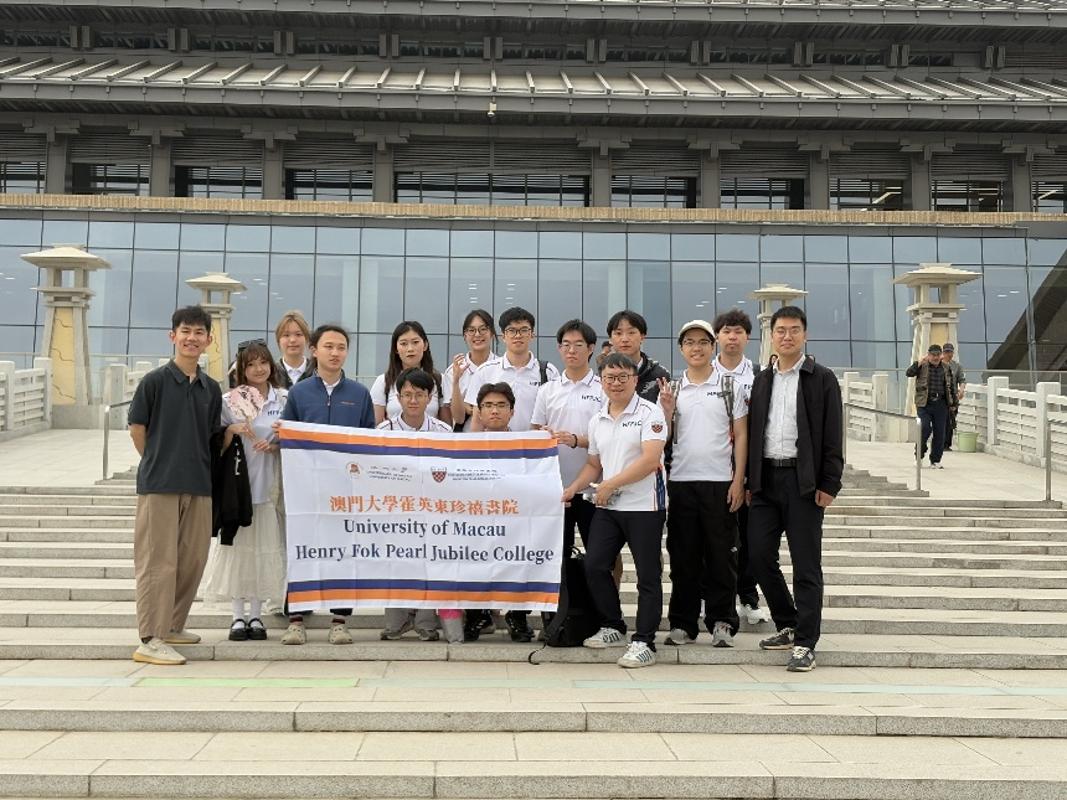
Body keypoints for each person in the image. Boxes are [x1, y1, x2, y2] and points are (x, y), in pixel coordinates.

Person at [746, 306, 843, 673]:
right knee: (758, 556)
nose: (787, 336)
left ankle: (805, 642)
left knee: (806, 565)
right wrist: (750, 480)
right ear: (771, 336)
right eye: (780, 330)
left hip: (803, 483)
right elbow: (754, 432)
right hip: (766, 481)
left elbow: (833, 434)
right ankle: (787, 621)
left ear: (805, 334)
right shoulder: (762, 380)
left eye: (794, 330)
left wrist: (830, 482)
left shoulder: (822, 378)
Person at [127, 305, 223, 665]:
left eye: (199, 333)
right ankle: (150, 639)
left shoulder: (211, 389)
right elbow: (138, 430)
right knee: (158, 562)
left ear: (208, 340)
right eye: (186, 331)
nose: (192, 338)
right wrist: (158, 461)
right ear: (173, 336)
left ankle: (170, 625)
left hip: (199, 484)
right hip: (160, 485)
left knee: (193, 560)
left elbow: (211, 435)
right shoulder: (154, 382)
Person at [562, 353, 668, 669]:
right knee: (595, 565)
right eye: (610, 377)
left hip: (645, 506)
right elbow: (594, 465)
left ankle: (645, 641)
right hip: (609, 507)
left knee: (648, 575)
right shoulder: (598, 419)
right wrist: (572, 488)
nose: (616, 383)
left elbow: (650, 460)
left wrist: (610, 484)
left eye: (623, 377)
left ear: (635, 380)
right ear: (602, 381)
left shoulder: (650, 413)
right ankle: (613, 625)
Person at [278, 323, 376, 645]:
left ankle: (339, 621)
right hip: (305, 490)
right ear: (314, 351)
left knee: (344, 553)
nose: (335, 353)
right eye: (329, 347)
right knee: (301, 550)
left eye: (341, 347)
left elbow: (369, 441)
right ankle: (296, 620)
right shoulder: (299, 392)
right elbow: (287, 435)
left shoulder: (359, 394)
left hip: (346, 491)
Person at [658, 320, 747, 648]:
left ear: (713, 346)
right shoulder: (673, 388)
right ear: (681, 349)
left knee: (722, 557)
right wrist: (666, 411)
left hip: (720, 482)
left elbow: (742, 435)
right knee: (683, 557)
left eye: (703, 342)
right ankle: (683, 623)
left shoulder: (729, 386)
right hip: (682, 482)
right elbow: (661, 439)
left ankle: (722, 621)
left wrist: (739, 480)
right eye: (689, 343)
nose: (696, 348)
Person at [201, 340, 287, 642]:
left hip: (268, 487)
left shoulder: (283, 399)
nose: (258, 369)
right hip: (237, 488)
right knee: (237, 553)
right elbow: (215, 443)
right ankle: (237, 615)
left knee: (262, 553)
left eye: (263, 362)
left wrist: (275, 444)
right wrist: (230, 431)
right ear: (241, 369)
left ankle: (257, 614)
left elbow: (293, 439)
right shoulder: (229, 400)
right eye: (251, 364)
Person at [377, 367, 455, 643]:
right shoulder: (383, 431)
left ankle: (425, 622)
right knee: (395, 562)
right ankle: (396, 622)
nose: (413, 400)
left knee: (428, 563)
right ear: (398, 397)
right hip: (396, 510)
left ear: (429, 397)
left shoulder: (443, 431)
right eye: (407, 394)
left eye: (419, 394)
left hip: (431, 511)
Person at [712, 309, 770, 626]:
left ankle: (748, 596)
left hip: (749, 466)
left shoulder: (761, 376)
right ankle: (712, 596)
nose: (732, 337)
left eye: (738, 332)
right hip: (711, 465)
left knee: (749, 537)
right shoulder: (703, 372)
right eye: (726, 331)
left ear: (747, 337)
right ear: (717, 337)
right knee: (714, 537)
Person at [532, 320, 604, 555]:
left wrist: (576, 440)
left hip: (594, 488)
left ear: (591, 348)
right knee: (558, 555)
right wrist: (543, 435)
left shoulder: (603, 388)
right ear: (559, 348)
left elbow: (608, 438)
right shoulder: (547, 390)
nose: (571, 350)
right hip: (556, 488)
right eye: (566, 345)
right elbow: (536, 430)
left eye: (578, 345)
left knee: (600, 556)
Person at [461, 382, 517, 642]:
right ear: (479, 412)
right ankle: (476, 616)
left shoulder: (527, 445)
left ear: (512, 411)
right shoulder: (464, 447)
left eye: (501, 405)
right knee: (474, 564)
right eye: (488, 406)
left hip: (515, 522)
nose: (495, 411)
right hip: (477, 521)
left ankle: (518, 617)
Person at [464, 306, 560, 432]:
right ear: (503, 336)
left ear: (532, 335)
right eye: (512, 330)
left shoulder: (548, 372)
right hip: (496, 443)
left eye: (524, 330)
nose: (518, 335)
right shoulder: (485, 371)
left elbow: (555, 416)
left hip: (533, 443)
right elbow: (477, 420)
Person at [372, 321, 449, 427]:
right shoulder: (383, 381)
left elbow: (446, 424)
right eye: (404, 344)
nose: (410, 349)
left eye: (415, 342)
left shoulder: (440, 380)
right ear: (396, 349)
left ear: (425, 345)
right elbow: (375, 426)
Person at [444, 309, 497, 432]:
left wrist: (473, 407)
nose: (477, 334)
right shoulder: (453, 371)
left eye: (483, 329)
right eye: (471, 330)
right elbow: (458, 418)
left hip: (497, 436)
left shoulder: (501, 366)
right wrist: (456, 382)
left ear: (492, 334)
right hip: (466, 438)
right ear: (465, 336)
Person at [906, 344, 957, 469]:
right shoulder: (922, 366)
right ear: (928, 355)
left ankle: (935, 460)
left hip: (941, 404)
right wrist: (919, 362)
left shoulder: (946, 367)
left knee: (940, 432)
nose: (935, 357)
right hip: (924, 403)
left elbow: (951, 386)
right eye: (933, 355)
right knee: (924, 428)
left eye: (937, 355)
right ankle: (919, 456)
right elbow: (909, 373)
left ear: (941, 355)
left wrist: (953, 403)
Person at [606, 310, 669, 403]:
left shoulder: (660, 375)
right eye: (618, 333)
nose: (625, 339)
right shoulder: (604, 376)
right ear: (610, 339)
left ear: (642, 336)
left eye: (631, 333)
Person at [274, 310, 314, 388]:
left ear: (307, 338)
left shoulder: (317, 373)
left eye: (298, 334)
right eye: (286, 335)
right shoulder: (270, 373)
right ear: (278, 340)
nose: (292, 340)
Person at [941, 343, 966, 451]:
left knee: (950, 420)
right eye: (946, 352)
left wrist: (961, 390)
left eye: (950, 352)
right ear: (943, 352)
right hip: (941, 397)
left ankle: (947, 444)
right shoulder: (938, 364)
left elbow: (962, 380)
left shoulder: (957, 366)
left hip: (952, 398)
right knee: (941, 420)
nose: (948, 354)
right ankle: (940, 443)